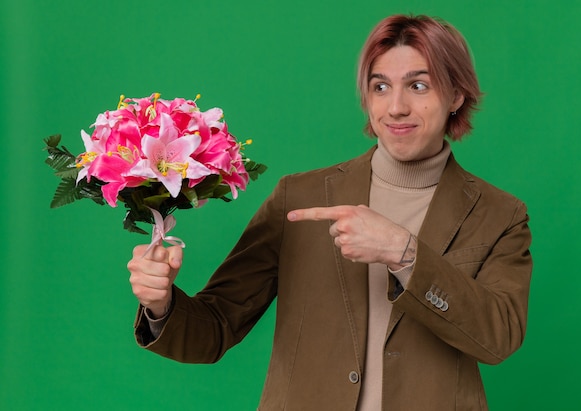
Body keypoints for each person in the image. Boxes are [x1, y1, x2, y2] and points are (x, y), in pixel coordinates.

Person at [128, 14, 532, 410]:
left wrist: (405, 252)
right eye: (380, 86)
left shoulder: (499, 215)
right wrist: (161, 304)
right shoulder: (299, 197)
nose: (396, 107)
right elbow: (214, 329)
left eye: (419, 85)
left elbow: (498, 338)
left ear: (456, 96)